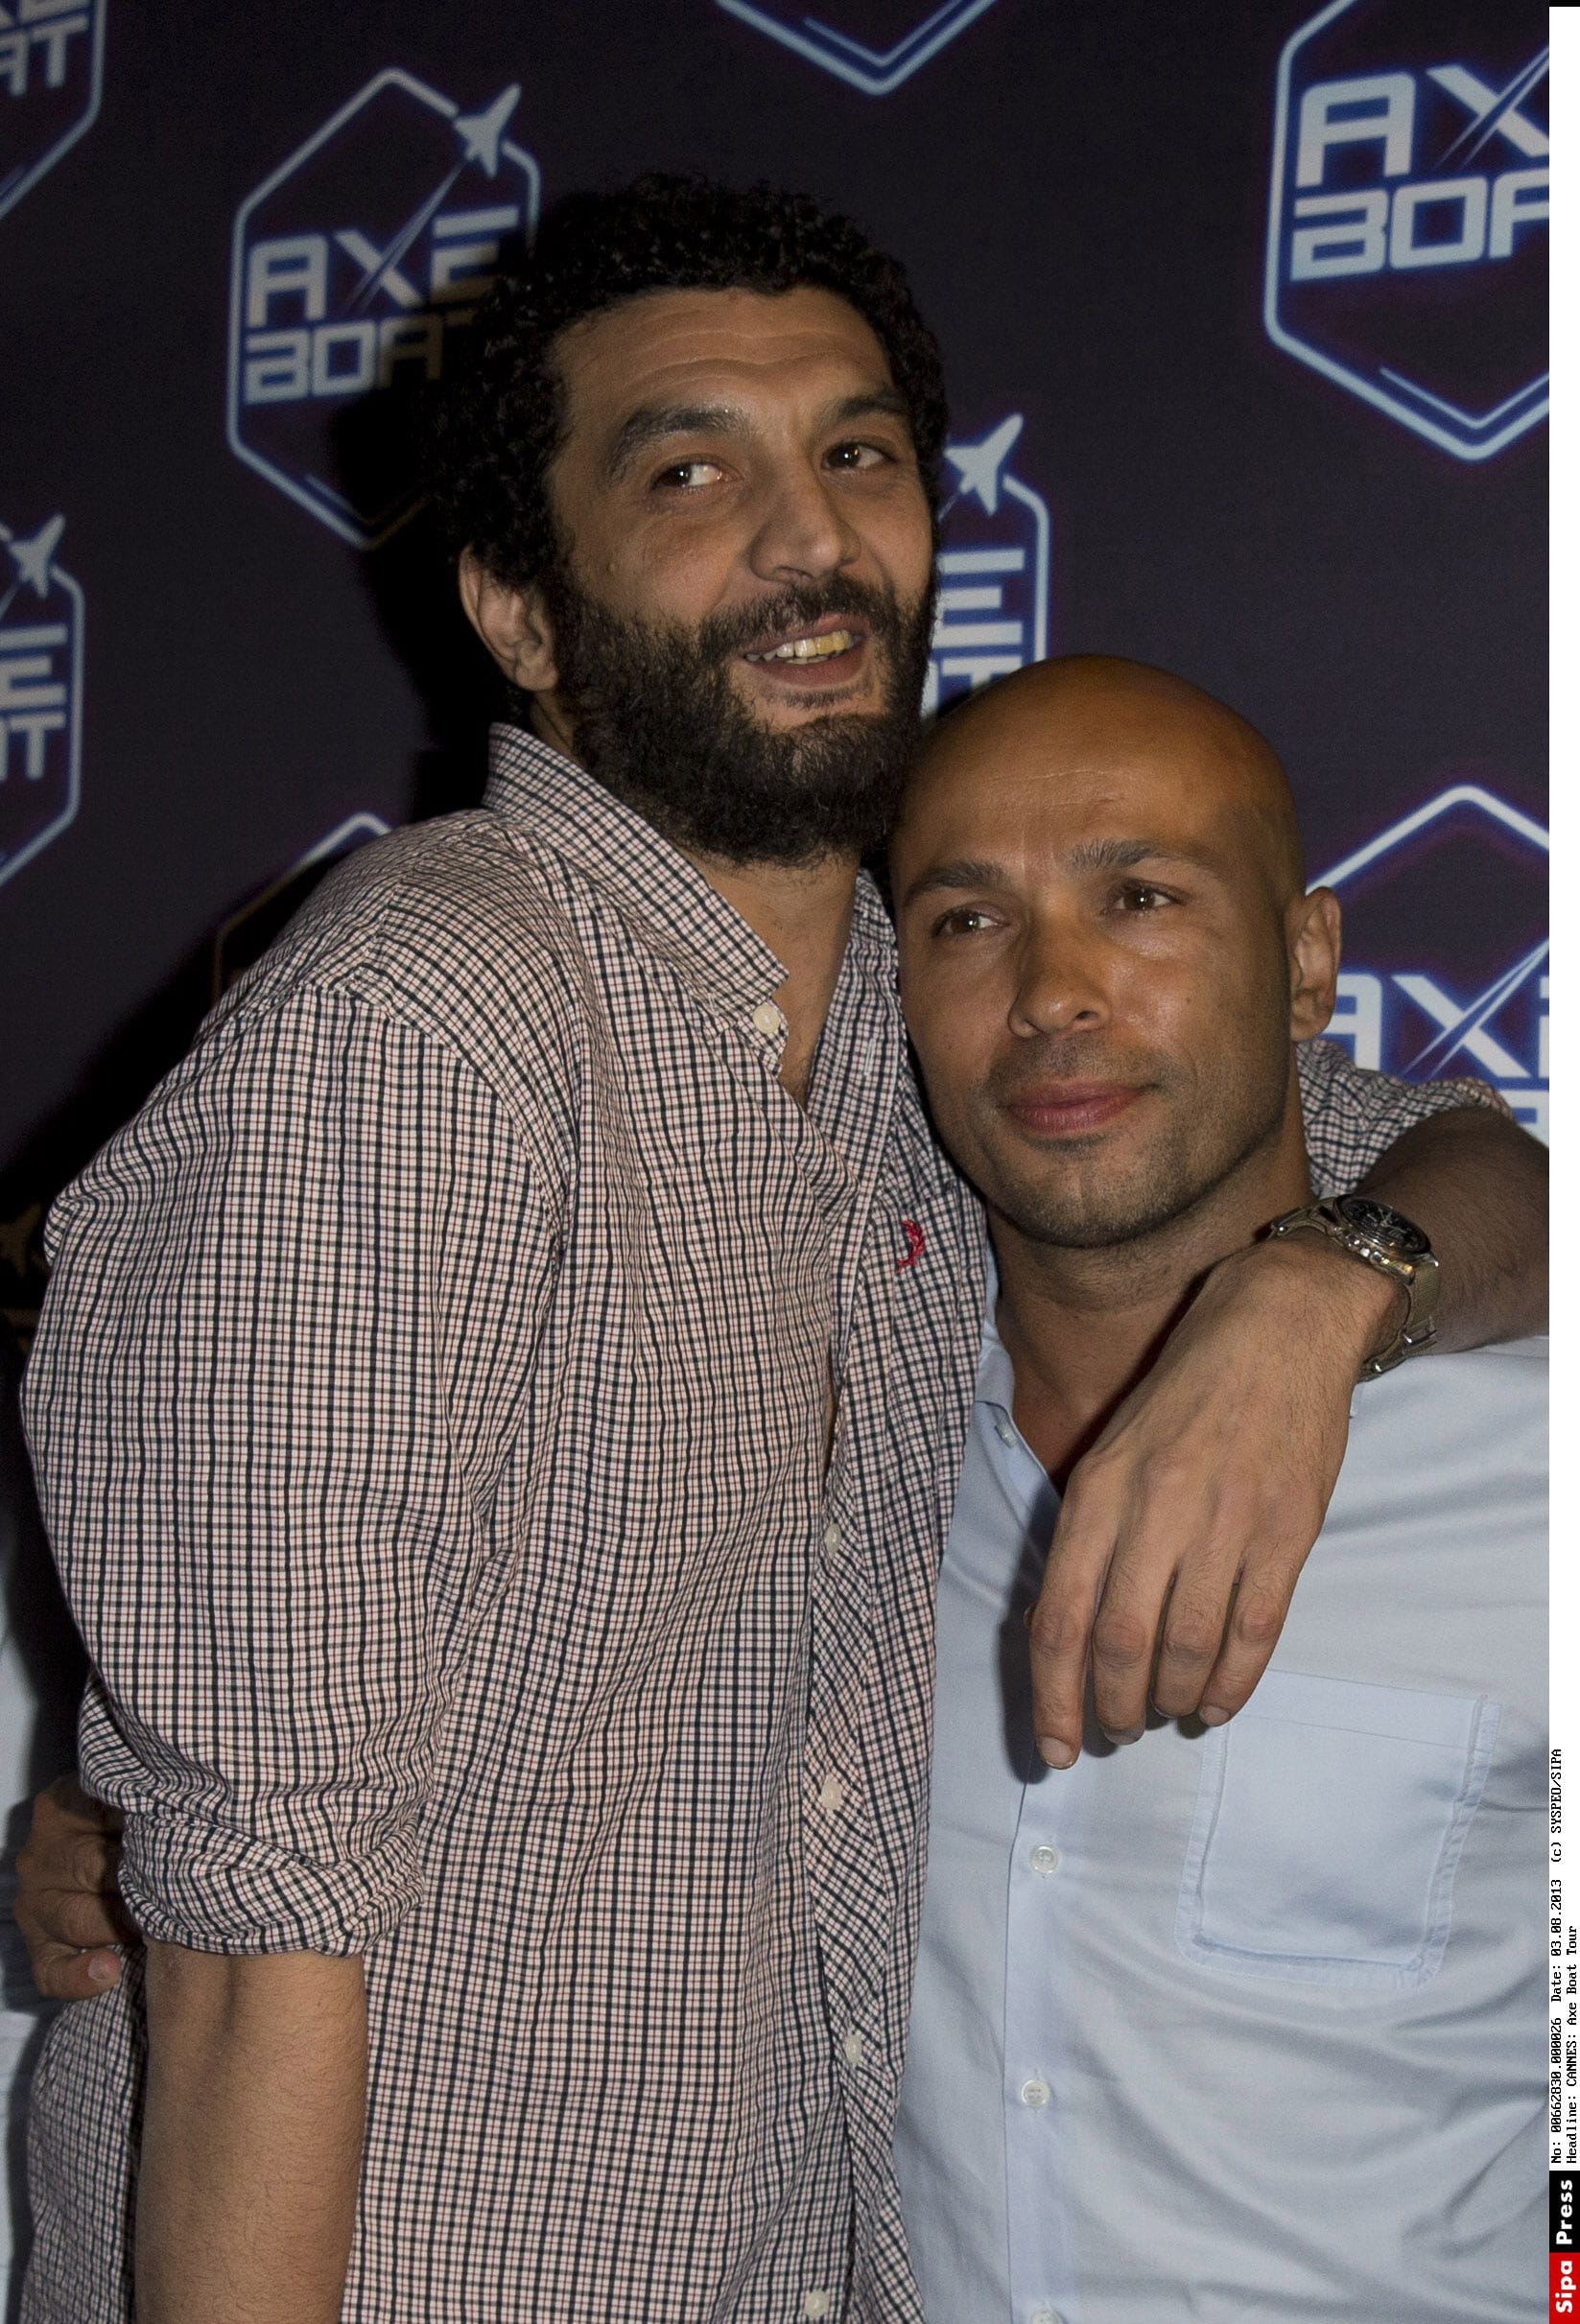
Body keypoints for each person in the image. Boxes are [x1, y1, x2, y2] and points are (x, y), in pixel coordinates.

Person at [12, 176, 1545, 2324]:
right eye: (689, 472)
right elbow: (254, 1937)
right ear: (517, 611)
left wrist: (1318, 1294)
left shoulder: (932, 1031)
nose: (807, 536)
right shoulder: (427, 1018)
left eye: (856, 455)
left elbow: (1450, 1156)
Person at [888, 655, 1545, 2323]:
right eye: (967, 920)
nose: (1053, 992)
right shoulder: (827, 1460)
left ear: (1308, 962)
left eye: (1141, 899)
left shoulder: (1537, 1485)